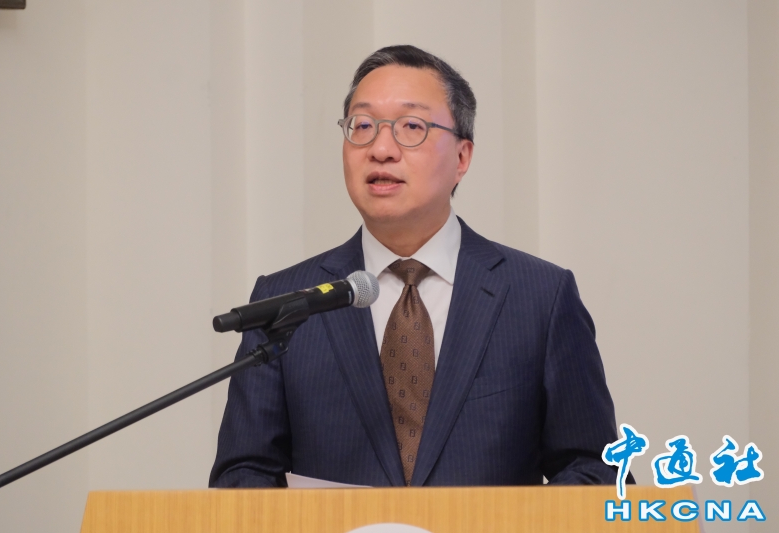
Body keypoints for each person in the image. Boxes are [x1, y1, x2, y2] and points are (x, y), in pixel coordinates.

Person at [210, 45, 620, 488]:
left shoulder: (540, 297)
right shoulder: (286, 305)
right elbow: (242, 476)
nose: (381, 149)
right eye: (362, 125)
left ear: (462, 157)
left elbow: (595, 470)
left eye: (411, 127)